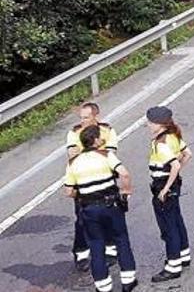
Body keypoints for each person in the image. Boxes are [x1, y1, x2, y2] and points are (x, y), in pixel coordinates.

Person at [64, 125, 137, 292]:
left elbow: (69, 191)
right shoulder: (106, 155)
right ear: (95, 140)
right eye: (100, 137)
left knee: (96, 246)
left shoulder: (73, 163)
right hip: (111, 205)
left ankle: (103, 286)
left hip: (89, 208)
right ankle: (128, 280)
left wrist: (84, 195)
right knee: (121, 240)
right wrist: (126, 192)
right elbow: (124, 174)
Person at [67, 103, 119, 272]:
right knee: (81, 219)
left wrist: (87, 153)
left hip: (104, 178)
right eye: (81, 118)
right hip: (82, 179)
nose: (82, 121)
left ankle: (111, 249)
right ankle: (81, 253)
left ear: (96, 116)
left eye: (86, 117)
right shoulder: (74, 132)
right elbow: (72, 155)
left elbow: (110, 154)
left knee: (108, 216)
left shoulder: (108, 130)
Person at [146, 106, 193, 282]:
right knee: (177, 221)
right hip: (173, 185)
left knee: (168, 226)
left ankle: (173, 265)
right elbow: (187, 154)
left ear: (160, 124)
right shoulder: (174, 136)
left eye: (151, 122)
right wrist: (175, 177)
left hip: (163, 187)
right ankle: (184, 254)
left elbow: (175, 165)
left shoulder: (161, 143)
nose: (149, 125)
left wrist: (165, 188)